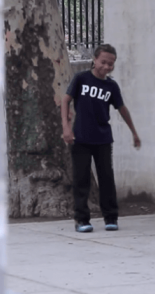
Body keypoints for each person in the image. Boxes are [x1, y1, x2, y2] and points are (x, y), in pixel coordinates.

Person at [60, 44, 141, 233]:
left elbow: (122, 108)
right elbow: (65, 100)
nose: (106, 66)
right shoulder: (81, 78)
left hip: (103, 139)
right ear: (94, 60)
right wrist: (66, 127)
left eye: (111, 64)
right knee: (81, 180)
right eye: (103, 62)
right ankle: (82, 220)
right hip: (80, 138)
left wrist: (134, 132)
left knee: (107, 178)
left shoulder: (111, 86)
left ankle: (111, 217)